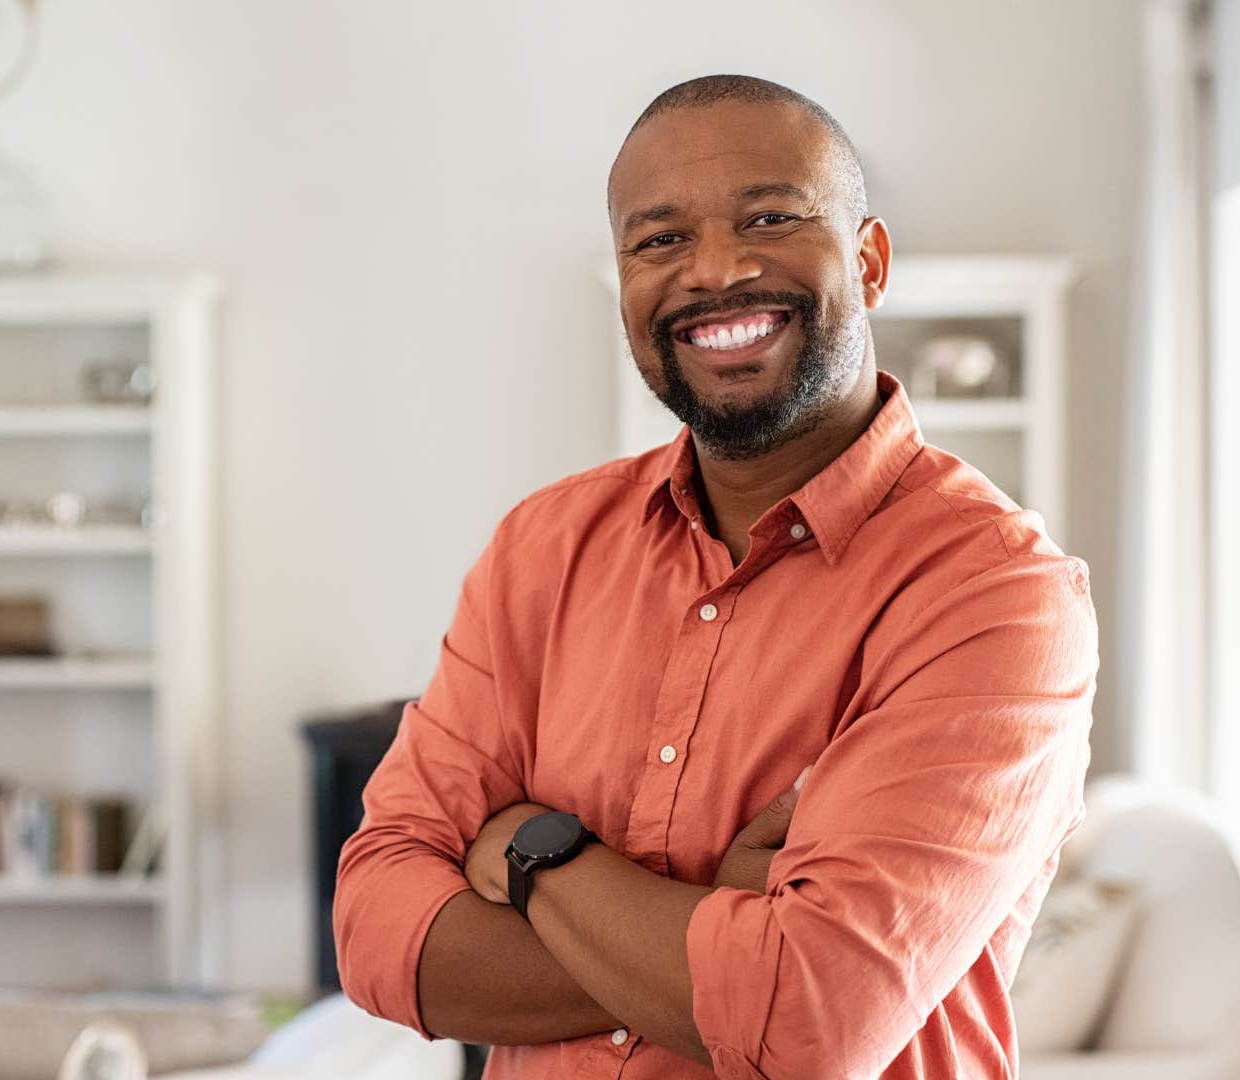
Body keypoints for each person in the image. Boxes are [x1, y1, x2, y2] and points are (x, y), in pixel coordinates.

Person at [333, 73, 1097, 1079]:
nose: (716, 271)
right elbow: (377, 932)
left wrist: (535, 856)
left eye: (770, 218)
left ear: (868, 261)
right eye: (659, 241)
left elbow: (812, 1016)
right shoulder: (544, 548)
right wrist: (713, 923)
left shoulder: (993, 594)